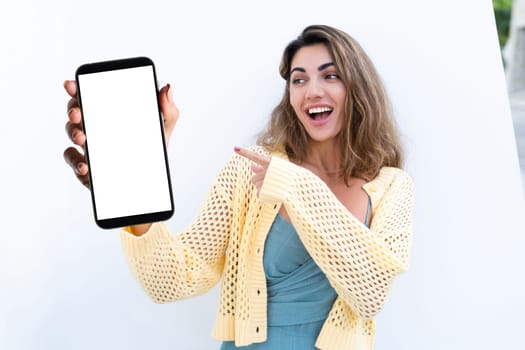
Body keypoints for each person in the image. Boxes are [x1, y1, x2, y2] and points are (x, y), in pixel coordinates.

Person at [63, 24, 414, 350]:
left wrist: (296, 187)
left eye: (330, 75)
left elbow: (370, 294)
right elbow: (173, 280)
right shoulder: (250, 169)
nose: (312, 91)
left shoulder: (392, 186)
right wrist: (138, 189)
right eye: (298, 80)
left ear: (357, 88)